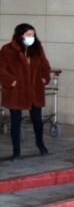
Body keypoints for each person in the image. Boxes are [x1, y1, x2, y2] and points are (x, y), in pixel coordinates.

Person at [0, 23, 51, 161]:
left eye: (33, 34)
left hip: (35, 89)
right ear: (20, 35)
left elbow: (45, 66)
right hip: (16, 91)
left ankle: (40, 145)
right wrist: (11, 81)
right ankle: (16, 152)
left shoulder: (38, 48)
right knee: (15, 122)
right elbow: (1, 69)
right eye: (28, 35)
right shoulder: (7, 50)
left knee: (37, 120)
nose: (31, 37)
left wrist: (44, 78)